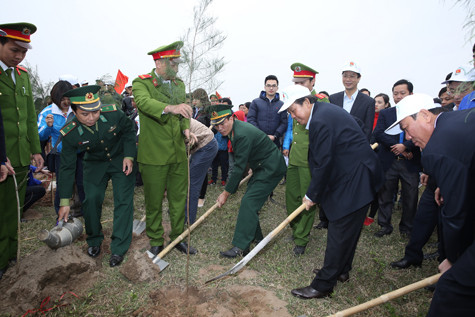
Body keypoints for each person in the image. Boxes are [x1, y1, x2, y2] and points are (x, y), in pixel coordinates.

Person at [279, 85, 383, 299]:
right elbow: (357, 128)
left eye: (293, 110)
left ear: (307, 102)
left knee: (340, 228)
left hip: (356, 179)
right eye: (289, 112)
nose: (292, 116)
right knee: (349, 229)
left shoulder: (320, 120)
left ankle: (323, 284)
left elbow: (323, 162)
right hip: (354, 175)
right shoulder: (325, 112)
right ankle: (341, 270)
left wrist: (312, 194)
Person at [384, 93, 475, 316]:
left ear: (425, 115)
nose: (407, 136)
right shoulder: (459, 120)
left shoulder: (437, 149)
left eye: (407, 127)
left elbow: (455, 214)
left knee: (451, 291)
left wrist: (453, 260)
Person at [57, 85, 136, 267]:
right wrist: (64, 202)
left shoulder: (113, 113)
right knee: (91, 200)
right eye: (85, 114)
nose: (91, 117)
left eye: (95, 112)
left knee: (123, 201)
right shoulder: (69, 133)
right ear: (74, 111)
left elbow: (129, 131)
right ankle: (94, 239)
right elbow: (67, 168)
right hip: (94, 165)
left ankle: (118, 247)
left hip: (120, 160)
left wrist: (129, 155)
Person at [132, 41, 197, 256]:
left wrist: (186, 130)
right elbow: (144, 103)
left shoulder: (178, 85)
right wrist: (170, 108)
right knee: (154, 200)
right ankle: (156, 239)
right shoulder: (142, 83)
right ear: (159, 63)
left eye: (178, 64)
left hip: (178, 152)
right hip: (154, 155)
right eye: (173, 64)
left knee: (179, 199)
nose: (177, 68)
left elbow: (184, 113)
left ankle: (178, 237)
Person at [0, 22, 44, 280]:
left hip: (18, 156)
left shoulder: (23, 75)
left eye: (24, 51)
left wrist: (35, 150)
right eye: (15, 49)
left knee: (14, 210)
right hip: (2, 155)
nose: (19, 56)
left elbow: (28, 116)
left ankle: (11, 253)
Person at [213, 105, 286, 258]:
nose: (220, 128)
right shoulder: (235, 129)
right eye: (216, 125)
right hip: (261, 166)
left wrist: (225, 193)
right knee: (250, 201)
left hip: (270, 168)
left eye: (222, 123)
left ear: (231, 118)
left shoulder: (241, 134)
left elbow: (239, 167)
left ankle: (241, 247)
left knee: (249, 201)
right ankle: (254, 236)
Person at [283, 62, 329, 255]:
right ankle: (295, 227)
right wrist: (287, 145)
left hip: (309, 160)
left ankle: (302, 238)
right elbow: (291, 128)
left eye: (302, 82)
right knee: (290, 196)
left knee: (307, 199)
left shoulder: (321, 102)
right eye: (296, 82)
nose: (298, 85)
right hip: (294, 157)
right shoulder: (293, 99)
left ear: (312, 81)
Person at [373, 79, 422, 238]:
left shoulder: (419, 113)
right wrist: (398, 148)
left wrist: (406, 146)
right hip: (389, 161)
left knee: (410, 196)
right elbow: (379, 133)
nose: (399, 96)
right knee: (385, 195)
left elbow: (422, 133)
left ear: (411, 94)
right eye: (395, 93)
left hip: (410, 162)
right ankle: (384, 225)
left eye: (403, 93)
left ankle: (407, 228)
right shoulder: (386, 113)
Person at [37, 80, 85, 217]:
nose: (65, 102)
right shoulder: (47, 113)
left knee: (82, 183)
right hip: (61, 155)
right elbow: (40, 136)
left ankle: (84, 211)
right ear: (55, 98)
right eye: (62, 99)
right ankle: (61, 215)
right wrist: (48, 126)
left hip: (79, 153)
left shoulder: (78, 110)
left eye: (68, 98)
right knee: (63, 185)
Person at [364, 93, 391, 226]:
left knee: (377, 188)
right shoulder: (368, 117)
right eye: (375, 102)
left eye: (380, 102)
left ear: (386, 104)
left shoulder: (387, 118)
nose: (376, 105)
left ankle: (371, 215)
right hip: (368, 155)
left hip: (380, 156)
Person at [329, 61, 375, 140]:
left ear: (359, 78)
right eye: (345, 76)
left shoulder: (368, 102)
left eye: (352, 76)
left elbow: (367, 130)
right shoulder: (333, 99)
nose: (348, 79)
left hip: (356, 145)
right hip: (335, 145)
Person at [185, 118, 218, 224]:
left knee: (192, 183)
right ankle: (181, 212)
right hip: (197, 145)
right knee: (186, 180)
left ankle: (187, 220)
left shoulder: (173, 120)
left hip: (206, 146)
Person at [247, 75, 287, 149]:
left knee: (274, 160)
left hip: (275, 142)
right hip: (258, 141)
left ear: (277, 88)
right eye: (268, 85)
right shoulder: (256, 102)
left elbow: (284, 122)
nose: (271, 88)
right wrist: (262, 135)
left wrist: (275, 135)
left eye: (274, 86)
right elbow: (251, 120)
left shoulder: (281, 104)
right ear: (265, 87)